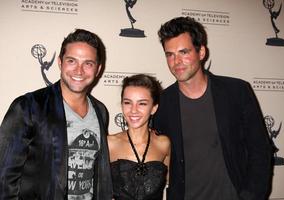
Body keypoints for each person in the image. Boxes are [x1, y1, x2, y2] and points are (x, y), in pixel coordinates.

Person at [153, 16, 272, 200]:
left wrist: (250, 196)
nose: (176, 61)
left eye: (184, 52)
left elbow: (260, 151)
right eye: (170, 54)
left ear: (201, 52)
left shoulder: (237, 92)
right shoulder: (162, 103)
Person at [0, 29, 112, 199]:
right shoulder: (28, 107)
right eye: (72, 61)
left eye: (88, 63)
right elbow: (4, 177)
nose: (79, 70)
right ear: (60, 62)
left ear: (98, 69)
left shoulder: (100, 111)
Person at [108, 74, 171, 200]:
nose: (133, 110)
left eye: (142, 104)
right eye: (127, 103)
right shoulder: (109, 143)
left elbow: (171, 184)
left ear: (153, 108)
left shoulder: (164, 144)